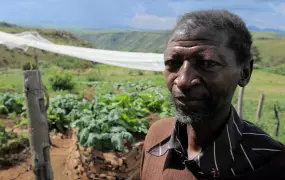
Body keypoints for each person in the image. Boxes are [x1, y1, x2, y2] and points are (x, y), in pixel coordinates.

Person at [140, 10, 285, 180]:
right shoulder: (157, 137)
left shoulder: (273, 165)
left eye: (207, 63)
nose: (183, 81)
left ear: (244, 72)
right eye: (173, 63)